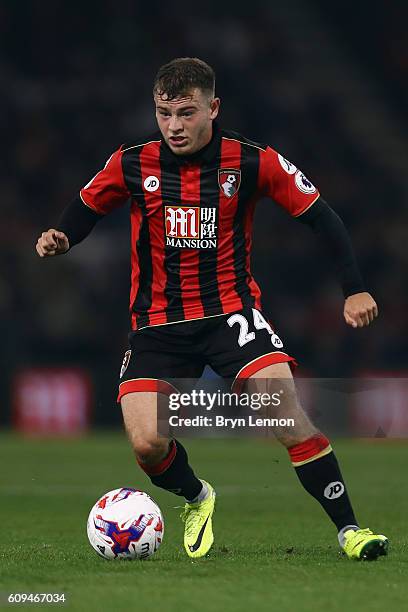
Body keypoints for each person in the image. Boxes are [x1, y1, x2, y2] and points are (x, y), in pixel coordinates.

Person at [36, 57, 388, 561]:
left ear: (212, 107)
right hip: (157, 325)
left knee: (285, 415)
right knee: (146, 446)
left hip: (231, 315)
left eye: (186, 112)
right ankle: (198, 496)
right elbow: (87, 207)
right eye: (164, 114)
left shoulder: (251, 160)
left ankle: (352, 531)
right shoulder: (132, 161)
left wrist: (353, 288)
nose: (174, 126)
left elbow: (322, 217)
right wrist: (62, 236)